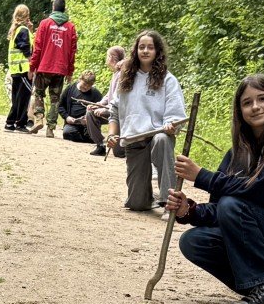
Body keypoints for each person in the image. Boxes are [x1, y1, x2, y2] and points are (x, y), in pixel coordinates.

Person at [166, 75, 264, 304]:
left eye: (263, 99)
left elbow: (262, 190)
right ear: (239, 111)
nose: (255, 107)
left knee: (232, 203)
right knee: (194, 241)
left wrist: (202, 177)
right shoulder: (237, 154)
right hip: (261, 236)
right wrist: (189, 210)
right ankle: (262, 284)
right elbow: (222, 211)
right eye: (247, 103)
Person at [108, 29, 186, 210]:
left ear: (157, 51)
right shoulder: (126, 78)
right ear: (135, 50)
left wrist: (171, 126)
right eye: (141, 47)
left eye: (150, 47)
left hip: (158, 136)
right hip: (134, 139)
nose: (145, 51)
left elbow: (175, 116)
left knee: (162, 140)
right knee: (137, 204)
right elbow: (114, 110)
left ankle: (168, 201)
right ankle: (148, 196)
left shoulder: (168, 80)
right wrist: (111, 134)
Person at [28, 0, 79, 130]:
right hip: (60, 69)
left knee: (39, 94)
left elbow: (37, 48)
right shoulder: (70, 27)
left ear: (53, 8)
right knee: (55, 99)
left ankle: (39, 118)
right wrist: (70, 72)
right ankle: (51, 128)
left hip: (44, 67)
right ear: (64, 9)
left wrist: (32, 67)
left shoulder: (45, 24)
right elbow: (72, 51)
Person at [84, 45, 127, 155]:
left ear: (112, 57)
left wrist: (105, 109)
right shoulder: (115, 73)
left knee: (119, 153)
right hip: (111, 108)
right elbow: (109, 95)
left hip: (119, 111)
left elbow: (119, 98)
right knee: (90, 112)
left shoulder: (122, 73)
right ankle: (100, 145)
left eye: (107, 56)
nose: (106, 59)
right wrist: (99, 104)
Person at [5, 6, 35, 131]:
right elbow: (25, 48)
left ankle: (11, 123)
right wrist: (31, 66)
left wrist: (30, 30)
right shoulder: (23, 30)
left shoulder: (16, 29)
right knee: (23, 97)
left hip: (15, 69)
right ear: (26, 15)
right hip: (23, 69)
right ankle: (19, 123)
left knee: (17, 97)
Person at [58, 71, 105, 142]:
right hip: (72, 123)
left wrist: (90, 120)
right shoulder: (70, 88)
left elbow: (101, 109)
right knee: (68, 133)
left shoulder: (96, 93)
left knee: (91, 138)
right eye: (84, 84)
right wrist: (67, 117)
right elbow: (60, 106)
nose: (86, 87)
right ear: (80, 79)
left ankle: (89, 137)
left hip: (88, 125)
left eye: (89, 86)